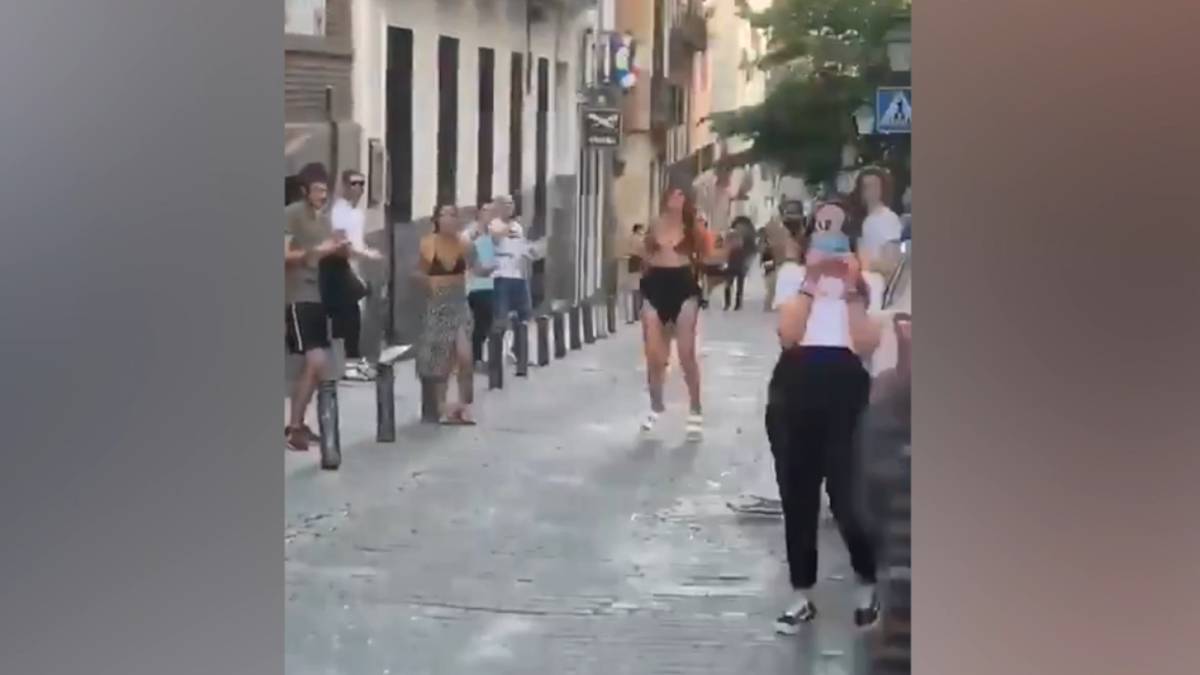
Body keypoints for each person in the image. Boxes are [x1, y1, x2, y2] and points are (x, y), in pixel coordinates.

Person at [766, 198, 882, 634]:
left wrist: (850, 287)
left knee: (848, 494)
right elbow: (788, 335)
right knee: (798, 494)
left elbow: (866, 343)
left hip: (844, 385)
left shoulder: (865, 280)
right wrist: (812, 283)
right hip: (796, 384)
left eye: (836, 225)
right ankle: (801, 594)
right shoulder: (793, 277)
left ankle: (867, 582)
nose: (828, 231)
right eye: (821, 224)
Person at [638, 187, 725, 438]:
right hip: (654, 286)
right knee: (654, 356)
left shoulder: (692, 228)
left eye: (681, 195)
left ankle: (695, 408)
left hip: (683, 288)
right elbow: (643, 254)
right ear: (665, 197)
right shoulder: (654, 225)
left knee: (686, 354)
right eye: (673, 194)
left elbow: (708, 257)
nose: (677, 199)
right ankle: (656, 405)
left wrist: (726, 252)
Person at [284, 164, 349, 451]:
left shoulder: (326, 218)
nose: (323, 195)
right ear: (304, 191)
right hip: (299, 295)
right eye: (318, 190)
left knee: (314, 365)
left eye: (326, 189)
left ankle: (296, 426)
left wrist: (341, 246)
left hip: (323, 295)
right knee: (315, 361)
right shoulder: (291, 214)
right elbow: (284, 254)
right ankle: (295, 426)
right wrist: (318, 251)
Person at [415, 203, 476, 425]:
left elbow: (479, 264)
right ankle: (442, 406)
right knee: (440, 358)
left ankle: (465, 404)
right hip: (438, 305)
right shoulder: (428, 244)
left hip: (459, 303)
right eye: (445, 215)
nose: (449, 219)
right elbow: (418, 272)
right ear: (437, 219)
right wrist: (430, 285)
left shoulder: (464, 242)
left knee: (464, 356)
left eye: (453, 215)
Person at [327, 169, 383, 381]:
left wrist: (366, 252)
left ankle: (352, 361)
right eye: (354, 183)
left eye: (362, 184)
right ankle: (347, 363)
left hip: (356, 266)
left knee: (357, 315)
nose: (358, 188)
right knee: (347, 317)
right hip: (341, 266)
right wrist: (367, 253)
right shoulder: (339, 211)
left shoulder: (357, 213)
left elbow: (357, 241)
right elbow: (342, 242)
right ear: (344, 186)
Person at [489, 195, 543, 360]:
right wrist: (508, 228)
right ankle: (496, 355)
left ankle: (519, 351)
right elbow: (495, 238)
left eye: (511, 204)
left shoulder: (518, 227)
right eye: (505, 204)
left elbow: (521, 247)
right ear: (497, 207)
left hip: (518, 276)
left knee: (524, 315)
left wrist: (531, 251)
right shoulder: (493, 224)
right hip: (501, 276)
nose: (509, 207)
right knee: (501, 316)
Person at [464, 201, 499, 369]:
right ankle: (474, 359)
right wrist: (480, 268)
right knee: (480, 322)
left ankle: (474, 357)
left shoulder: (492, 233)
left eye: (492, 213)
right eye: (486, 212)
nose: (490, 216)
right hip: (474, 285)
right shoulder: (472, 232)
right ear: (479, 214)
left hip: (488, 283)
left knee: (484, 322)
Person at [723, 216, 756, 311]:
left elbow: (726, 249)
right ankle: (734, 304)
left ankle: (731, 304)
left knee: (732, 285)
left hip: (734, 263)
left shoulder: (733, 237)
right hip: (736, 263)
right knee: (734, 285)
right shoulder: (736, 238)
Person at [621, 223, 646, 323]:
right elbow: (642, 251)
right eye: (641, 229)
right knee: (637, 288)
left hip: (633, 261)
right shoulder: (638, 239)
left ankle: (634, 314)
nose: (642, 231)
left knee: (634, 288)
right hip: (638, 261)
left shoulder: (631, 238)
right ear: (638, 229)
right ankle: (637, 313)